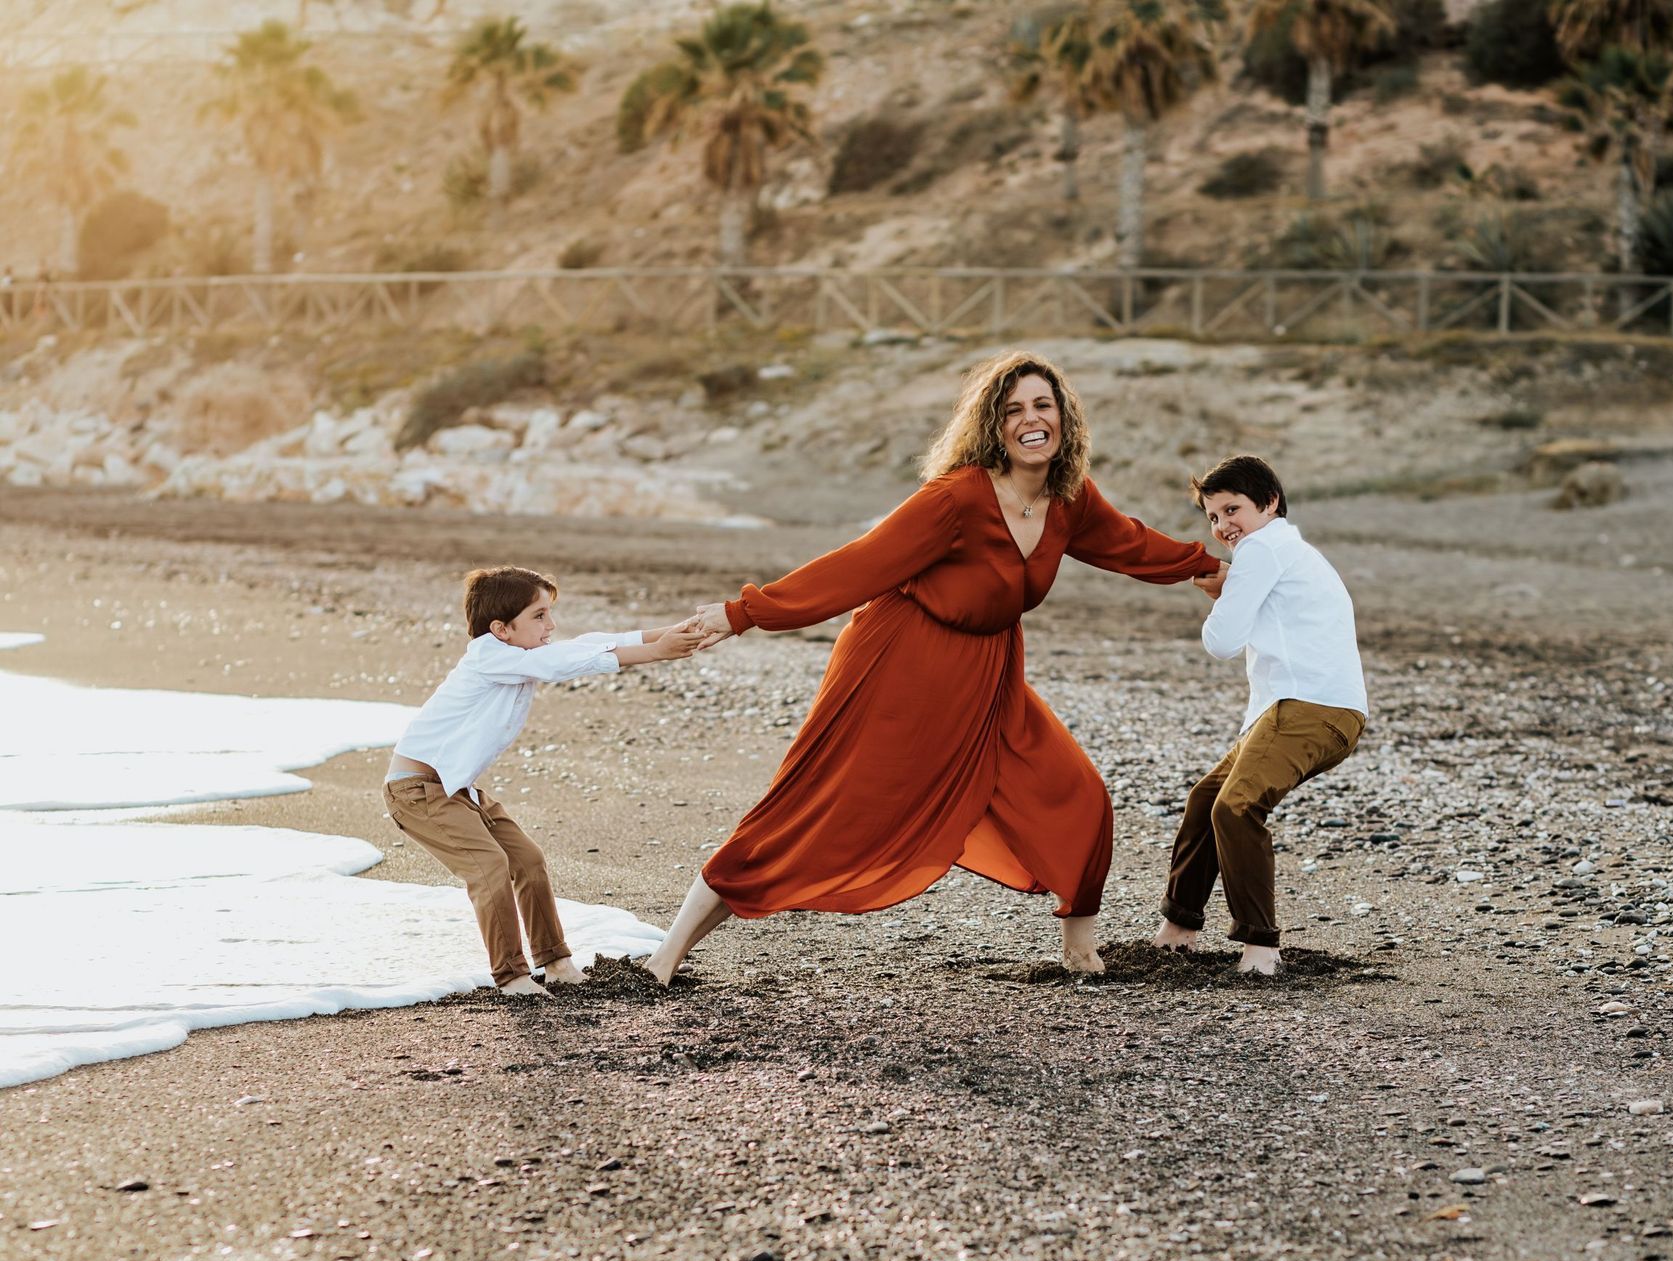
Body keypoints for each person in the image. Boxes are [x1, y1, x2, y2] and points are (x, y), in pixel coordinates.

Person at [644, 351, 1222, 985]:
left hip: (990, 674)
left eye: (1043, 406)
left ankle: (1080, 952)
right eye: (1013, 410)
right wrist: (743, 613)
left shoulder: (1068, 499)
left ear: (1065, 418)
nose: (1031, 420)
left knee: (1075, 793)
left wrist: (1210, 567)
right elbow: (860, 564)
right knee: (820, 808)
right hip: (900, 665)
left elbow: (1130, 543)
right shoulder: (956, 498)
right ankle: (666, 956)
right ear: (992, 426)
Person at [385, 565, 702, 995]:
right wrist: (655, 652)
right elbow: (558, 663)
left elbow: (585, 644)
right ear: (500, 629)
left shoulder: (518, 657)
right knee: (489, 867)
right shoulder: (487, 656)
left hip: (458, 788)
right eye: (538, 615)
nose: (550, 624)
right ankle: (512, 977)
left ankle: (556, 963)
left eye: (549, 613)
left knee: (528, 861)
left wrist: (670, 633)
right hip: (416, 790)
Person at [1150, 455, 1368, 975]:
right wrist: (1235, 585)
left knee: (1236, 807)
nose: (1223, 526)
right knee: (1206, 800)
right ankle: (1178, 929)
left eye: (1233, 509)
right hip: (1308, 709)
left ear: (1269, 503)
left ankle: (1261, 947)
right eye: (1212, 517)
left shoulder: (1262, 547)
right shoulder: (1288, 550)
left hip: (1309, 706)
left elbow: (1221, 642)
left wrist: (1225, 593)